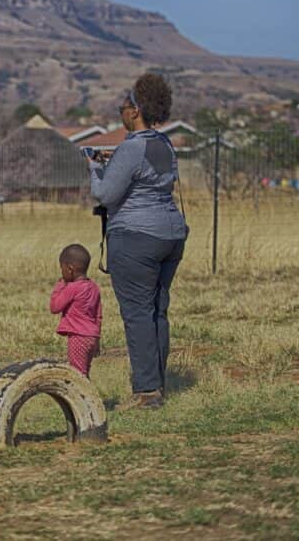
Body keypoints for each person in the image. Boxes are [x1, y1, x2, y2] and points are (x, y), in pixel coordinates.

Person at [89, 73, 188, 410]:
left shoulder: (131, 147)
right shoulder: (165, 143)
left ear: (134, 110)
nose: (120, 110)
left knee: (137, 314)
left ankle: (146, 392)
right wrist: (113, 162)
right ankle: (156, 384)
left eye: (123, 105)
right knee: (158, 311)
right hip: (171, 234)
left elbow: (105, 193)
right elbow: (147, 175)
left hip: (136, 238)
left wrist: (94, 168)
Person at [49, 244, 102, 378]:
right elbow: (98, 315)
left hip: (78, 336)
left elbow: (54, 307)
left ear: (70, 269)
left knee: (77, 376)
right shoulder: (94, 287)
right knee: (84, 372)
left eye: (62, 269)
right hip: (92, 337)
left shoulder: (73, 288)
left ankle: (84, 398)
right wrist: (97, 340)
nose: (62, 273)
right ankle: (89, 397)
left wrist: (60, 285)